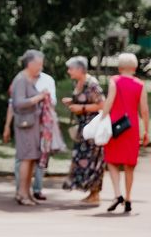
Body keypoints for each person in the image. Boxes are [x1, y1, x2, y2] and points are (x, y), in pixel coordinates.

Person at [3, 54, 57, 201]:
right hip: (25, 125)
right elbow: (18, 103)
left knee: (32, 159)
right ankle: (22, 193)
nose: (41, 67)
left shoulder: (29, 79)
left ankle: (27, 192)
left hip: (33, 125)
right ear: (30, 64)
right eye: (39, 64)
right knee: (26, 159)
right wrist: (39, 97)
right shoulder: (20, 80)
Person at [101, 52, 149, 213]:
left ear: (120, 67)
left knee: (112, 160)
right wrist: (146, 131)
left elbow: (109, 101)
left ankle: (117, 194)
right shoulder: (140, 84)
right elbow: (144, 110)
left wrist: (101, 119)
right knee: (130, 165)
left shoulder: (114, 81)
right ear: (135, 67)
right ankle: (128, 198)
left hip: (116, 126)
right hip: (132, 127)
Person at [61, 56, 106, 204]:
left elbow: (102, 105)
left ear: (80, 69)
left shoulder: (91, 84)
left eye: (71, 68)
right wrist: (72, 102)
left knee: (93, 160)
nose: (69, 71)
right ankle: (90, 192)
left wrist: (82, 108)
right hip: (83, 129)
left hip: (92, 129)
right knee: (82, 159)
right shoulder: (79, 83)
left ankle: (95, 193)